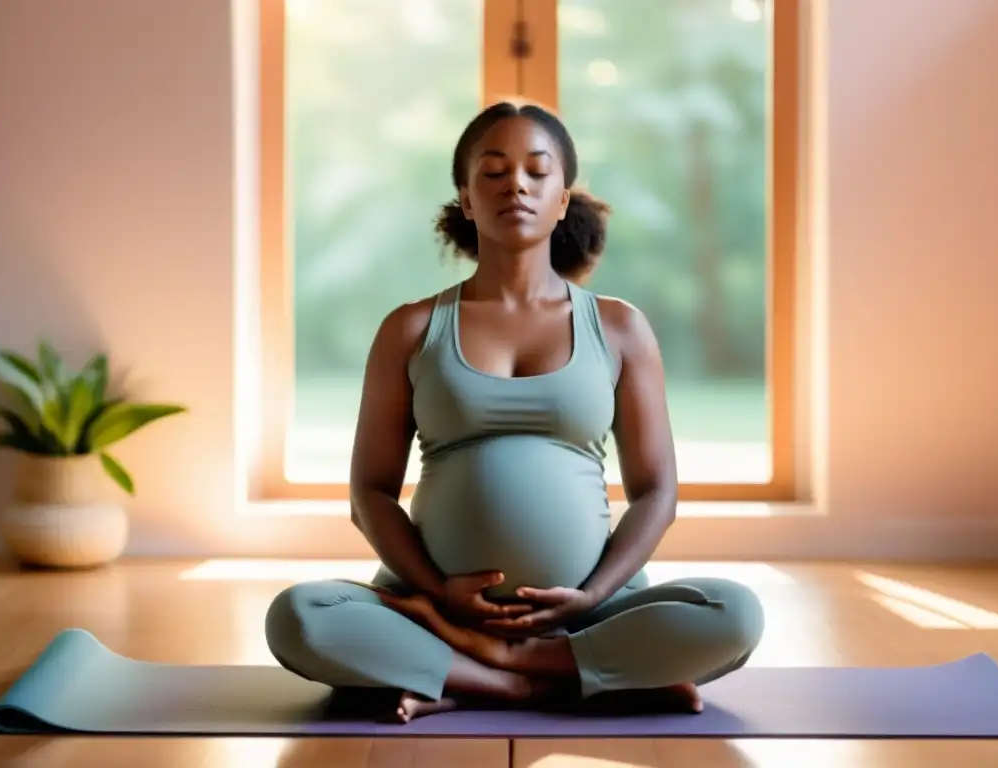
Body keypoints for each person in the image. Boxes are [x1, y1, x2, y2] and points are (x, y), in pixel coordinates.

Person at [264, 101, 765, 723]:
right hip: (432, 603)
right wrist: (434, 588)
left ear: (563, 199)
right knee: (299, 616)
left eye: (536, 170)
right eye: (493, 172)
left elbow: (657, 491)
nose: (516, 185)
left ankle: (471, 668)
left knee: (733, 614)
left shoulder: (619, 327)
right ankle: (546, 682)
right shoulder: (411, 328)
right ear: (467, 201)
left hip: (592, 610)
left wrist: (591, 596)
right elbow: (369, 492)